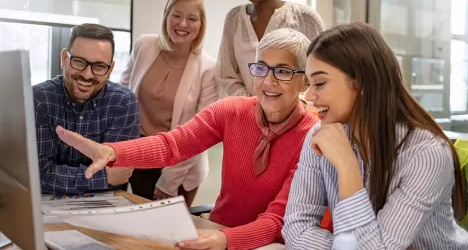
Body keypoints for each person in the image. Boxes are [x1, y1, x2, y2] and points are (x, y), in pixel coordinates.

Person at [54, 28, 319, 250]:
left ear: (305, 82)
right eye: (261, 68)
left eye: (283, 72)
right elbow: (173, 145)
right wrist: (112, 152)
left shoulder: (313, 136)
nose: (268, 81)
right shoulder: (232, 110)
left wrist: (225, 239)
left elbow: (276, 220)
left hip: (266, 245)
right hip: (215, 233)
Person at [282, 22, 468, 250]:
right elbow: (296, 228)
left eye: (320, 83)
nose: (310, 96)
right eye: (309, 83)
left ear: (363, 83)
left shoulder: (427, 153)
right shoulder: (321, 136)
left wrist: (347, 166)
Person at [119, 0, 217, 205]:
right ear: (166, 16)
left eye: (192, 18)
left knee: (170, 234)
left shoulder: (208, 68)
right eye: (176, 15)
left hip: (180, 163)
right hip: (140, 152)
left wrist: (169, 181)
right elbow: (121, 95)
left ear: (201, 25)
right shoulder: (145, 45)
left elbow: (199, 133)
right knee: (138, 227)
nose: (183, 24)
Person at [33, 23, 140, 195]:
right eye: (79, 61)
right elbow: (38, 175)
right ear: (64, 59)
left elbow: (119, 175)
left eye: (99, 66)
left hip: (101, 209)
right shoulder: (38, 100)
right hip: (44, 209)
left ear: (110, 69)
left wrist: (62, 176)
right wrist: (103, 177)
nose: (87, 75)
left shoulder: (123, 103)